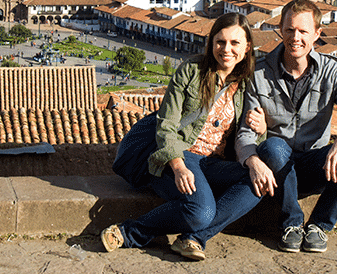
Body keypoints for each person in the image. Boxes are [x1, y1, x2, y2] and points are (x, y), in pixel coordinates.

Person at [102, 13, 265, 261]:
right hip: (181, 155)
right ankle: (130, 232)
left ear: (247, 47)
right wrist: (178, 166)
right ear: (211, 43)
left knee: (258, 181)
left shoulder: (248, 84)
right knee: (201, 211)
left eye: (235, 43)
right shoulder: (192, 71)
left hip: (216, 164)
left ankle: (193, 238)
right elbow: (166, 124)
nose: (226, 49)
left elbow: (247, 137)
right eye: (220, 42)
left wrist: (261, 129)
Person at [236, 0, 337, 254]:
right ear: (280, 29)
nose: (295, 37)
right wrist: (252, 161)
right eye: (289, 30)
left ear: (317, 34)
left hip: (316, 166)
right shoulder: (258, 74)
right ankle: (291, 224)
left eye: (303, 31)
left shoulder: (332, 72)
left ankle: (320, 225)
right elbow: (246, 132)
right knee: (274, 147)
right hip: (276, 167)